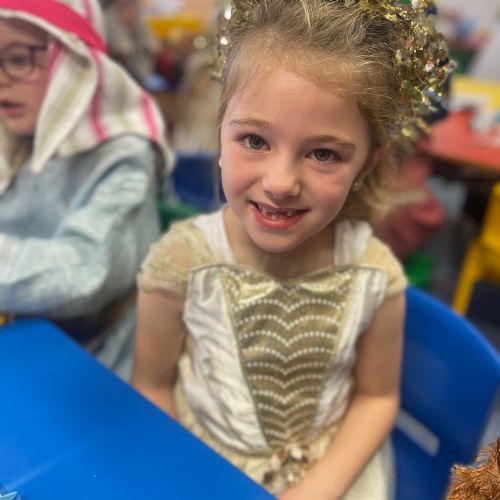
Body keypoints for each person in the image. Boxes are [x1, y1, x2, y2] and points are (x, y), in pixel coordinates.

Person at [131, 0, 452, 497]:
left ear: (366, 165)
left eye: (323, 153)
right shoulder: (179, 262)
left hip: (329, 476)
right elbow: (152, 386)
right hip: (201, 467)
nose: (281, 183)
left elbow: (376, 398)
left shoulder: (374, 274)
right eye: (255, 140)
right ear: (220, 129)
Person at [0, 0, 172, 378]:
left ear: (71, 65)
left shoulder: (123, 156)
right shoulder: (14, 135)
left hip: (92, 364)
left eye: (17, 59)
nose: (2, 78)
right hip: (19, 338)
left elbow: (83, 271)